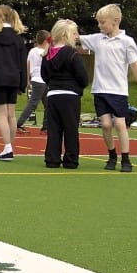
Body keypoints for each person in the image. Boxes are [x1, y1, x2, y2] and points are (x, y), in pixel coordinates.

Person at [79, 4, 137, 173]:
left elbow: (135, 67)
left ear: (116, 21)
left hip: (118, 91)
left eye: (102, 22)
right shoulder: (98, 39)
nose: (100, 26)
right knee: (105, 125)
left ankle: (126, 159)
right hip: (100, 90)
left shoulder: (126, 42)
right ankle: (112, 155)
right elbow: (76, 37)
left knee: (120, 123)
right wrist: (70, 26)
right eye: (98, 22)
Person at [41, 20, 89, 169]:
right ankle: (71, 160)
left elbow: (44, 75)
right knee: (71, 129)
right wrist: (78, 87)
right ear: (65, 34)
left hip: (53, 95)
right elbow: (83, 77)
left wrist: (53, 84)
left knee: (54, 129)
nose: (77, 36)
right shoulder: (72, 53)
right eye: (74, 33)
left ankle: (52, 159)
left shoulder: (47, 54)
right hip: (70, 96)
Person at [0, 5, 27, 161]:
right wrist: (23, 84)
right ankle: (10, 147)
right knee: (11, 115)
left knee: (2, 114)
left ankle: (7, 148)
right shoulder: (18, 38)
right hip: (14, 77)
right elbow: (22, 63)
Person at [17, 29, 50, 134]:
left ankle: (45, 127)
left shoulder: (32, 51)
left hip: (36, 80)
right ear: (45, 41)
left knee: (48, 104)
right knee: (33, 104)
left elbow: (28, 65)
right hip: (42, 81)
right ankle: (19, 124)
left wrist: (28, 80)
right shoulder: (45, 52)